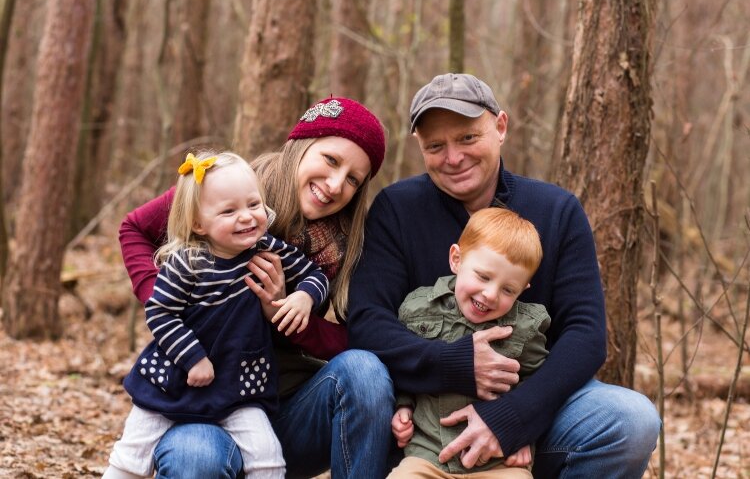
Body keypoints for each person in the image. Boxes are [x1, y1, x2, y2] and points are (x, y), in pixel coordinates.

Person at [347, 73, 661, 478]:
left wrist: (512, 418)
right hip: (421, 426)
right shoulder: (397, 208)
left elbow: (586, 336)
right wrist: (453, 364)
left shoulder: (556, 210)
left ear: (500, 127)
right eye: (435, 146)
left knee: (631, 420)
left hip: (530, 415)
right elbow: (368, 322)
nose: (453, 157)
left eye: (467, 138)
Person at [118, 97, 393, 478]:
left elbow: (355, 338)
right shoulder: (228, 188)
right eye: (330, 160)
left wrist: (284, 311)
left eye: (352, 179)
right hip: (203, 405)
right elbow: (134, 229)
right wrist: (168, 304)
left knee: (365, 369)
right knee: (196, 457)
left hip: (283, 409)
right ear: (301, 144)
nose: (334, 185)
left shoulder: (348, 243)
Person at [105, 151, 332, 479]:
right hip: (174, 378)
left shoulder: (266, 248)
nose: (246, 217)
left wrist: (303, 297)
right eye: (229, 211)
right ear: (199, 222)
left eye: (253, 205)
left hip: (240, 383)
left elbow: (317, 276)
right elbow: (160, 311)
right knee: (130, 460)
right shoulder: (186, 262)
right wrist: (193, 357)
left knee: (268, 460)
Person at [389, 207, 550, 479]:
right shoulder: (419, 308)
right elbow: (405, 368)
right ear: (456, 259)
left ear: (523, 290)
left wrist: (523, 433)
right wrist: (402, 406)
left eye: (508, 289)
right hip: (427, 456)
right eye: (483, 277)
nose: (490, 294)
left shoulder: (526, 328)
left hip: (496, 464)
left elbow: (538, 387)